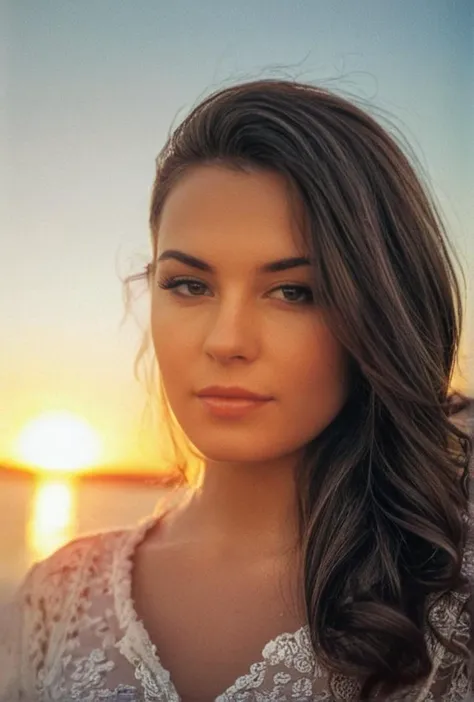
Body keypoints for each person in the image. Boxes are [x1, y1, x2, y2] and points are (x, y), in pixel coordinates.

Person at [0, 78, 472, 702]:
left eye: (295, 292)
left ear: (380, 312)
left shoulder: (453, 589)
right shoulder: (57, 599)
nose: (227, 341)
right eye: (189, 285)